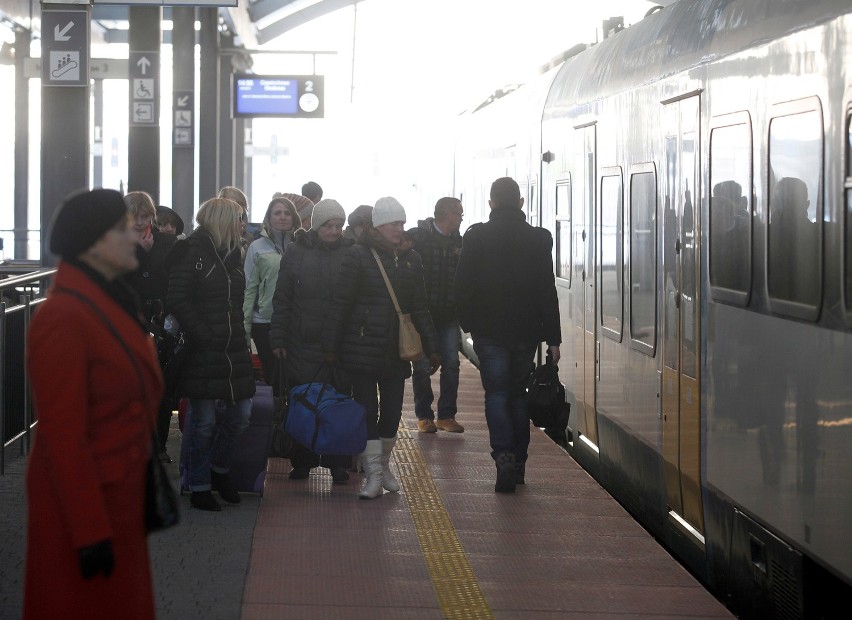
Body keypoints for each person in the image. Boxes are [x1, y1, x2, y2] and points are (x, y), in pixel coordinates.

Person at [25, 189, 163, 619]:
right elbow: (64, 437)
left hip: (117, 503)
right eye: (125, 227)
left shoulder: (109, 302)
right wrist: (89, 531)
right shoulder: (62, 318)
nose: (138, 233)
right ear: (96, 242)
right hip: (85, 513)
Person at [322, 196, 441, 499]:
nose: (400, 229)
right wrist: (332, 346)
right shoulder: (358, 256)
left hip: (396, 351)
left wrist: (432, 346)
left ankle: (382, 466)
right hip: (360, 347)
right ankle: (373, 474)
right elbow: (341, 304)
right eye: (393, 224)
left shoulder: (412, 260)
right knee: (366, 410)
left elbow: (420, 308)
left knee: (391, 413)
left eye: (402, 223)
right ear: (378, 226)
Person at [454, 177, 561, 493]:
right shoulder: (538, 239)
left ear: (491, 204)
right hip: (526, 333)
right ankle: (520, 463)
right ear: (521, 203)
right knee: (517, 394)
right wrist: (553, 338)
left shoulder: (476, 237)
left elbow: (461, 287)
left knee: (497, 394)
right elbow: (547, 290)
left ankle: (503, 455)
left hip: (489, 332)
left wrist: (470, 324)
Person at [165, 198, 256, 511]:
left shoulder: (233, 254)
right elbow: (177, 298)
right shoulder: (192, 251)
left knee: (241, 415)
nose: (244, 224)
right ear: (223, 220)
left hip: (232, 348)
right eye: (239, 218)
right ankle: (200, 483)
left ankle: (219, 471)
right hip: (203, 349)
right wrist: (205, 334)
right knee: (203, 421)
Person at [270, 199, 354, 484]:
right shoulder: (295, 252)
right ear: (316, 226)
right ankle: (303, 461)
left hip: (339, 345)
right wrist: (278, 337)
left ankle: (338, 463)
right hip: (301, 342)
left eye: (338, 225)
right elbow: (282, 299)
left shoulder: (351, 253)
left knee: (337, 404)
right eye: (328, 225)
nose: (334, 231)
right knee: (304, 402)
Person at [123, 191, 178, 463]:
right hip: (128, 322)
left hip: (160, 321)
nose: (139, 221)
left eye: (145, 216)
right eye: (134, 215)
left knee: (161, 389)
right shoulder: (117, 243)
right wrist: (138, 253)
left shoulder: (166, 243)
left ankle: (158, 445)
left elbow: (173, 281)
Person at [407, 197, 465, 434]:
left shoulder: (460, 243)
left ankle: (446, 415)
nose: (462, 218)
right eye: (459, 213)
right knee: (421, 366)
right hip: (422, 315)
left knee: (451, 363)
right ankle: (424, 416)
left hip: (449, 314)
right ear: (447, 214)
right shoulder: (419, 239)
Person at [243, 195, 300, 389]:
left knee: (295, 375)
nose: (282, 217)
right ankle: (275, 415)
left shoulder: (302, 246)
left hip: (296, 321)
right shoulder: (256, 248)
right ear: (269, 217)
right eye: (277, 213)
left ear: (294, 217)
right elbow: (249, 288)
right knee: (271, 374)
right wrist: (246, 327)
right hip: (264, 321)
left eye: (287, 213)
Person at [218, 185, 253, 252]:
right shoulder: (211, 236)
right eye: (231, 205)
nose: (235, 207)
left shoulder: (248, 239)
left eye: (238, 204)